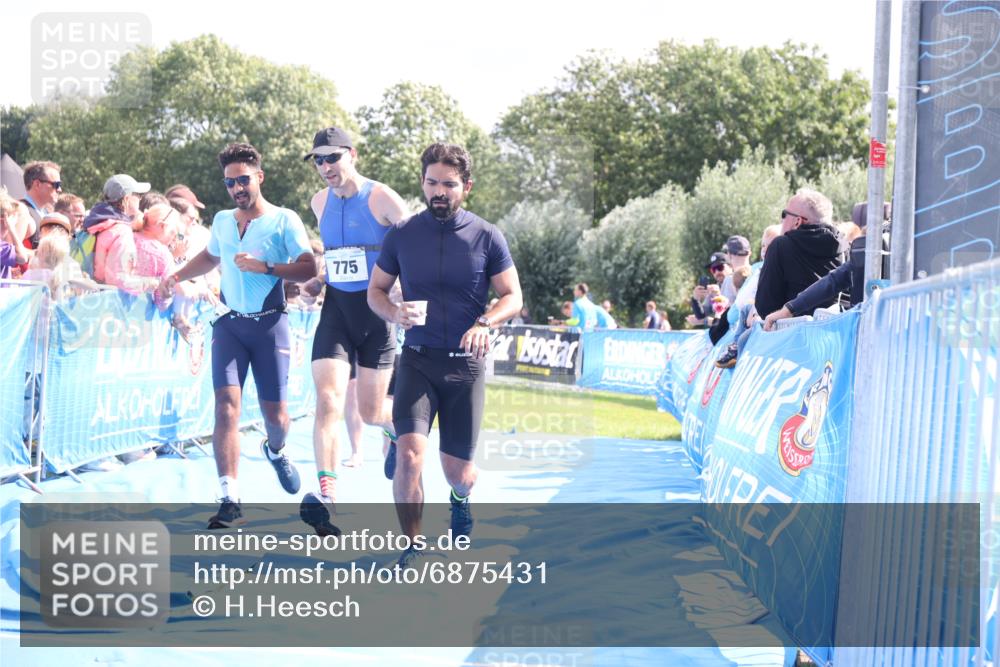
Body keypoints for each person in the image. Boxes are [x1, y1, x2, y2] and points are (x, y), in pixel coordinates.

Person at [368, 143, 522, 569]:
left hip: (464, 367)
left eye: (449, 184)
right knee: (409, 454)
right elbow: (375, 291)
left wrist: (485, 324)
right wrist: (395, 312)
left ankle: (460, 498)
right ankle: (413, 544)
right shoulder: (401, 235)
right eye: (432, 182)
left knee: (459, 473)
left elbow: (512, 295)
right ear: (422, 183)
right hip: (417, 359)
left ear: (465, 188)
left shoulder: (487, 235)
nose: (439, 191)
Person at [157, 142, 316, 528]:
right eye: (230, 183)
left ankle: (275, 450)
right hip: (229, 324)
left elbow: (309, 267)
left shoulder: (284, 220)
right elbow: (212, 256)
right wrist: (176, 275)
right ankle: (230, 497)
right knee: (225, 405)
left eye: (243, 180)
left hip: (270, 325)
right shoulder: (225, 220)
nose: (237, 189)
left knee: (275, 417)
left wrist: (267, 267)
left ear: (259, 177)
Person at [295, 127, 410, 538]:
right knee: (327, 401)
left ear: (352, 154)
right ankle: (327, 498)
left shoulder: (381, 197)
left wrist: (404, 289)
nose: (325, 167)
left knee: (370, 412)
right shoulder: (319, 201)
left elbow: (412, 240)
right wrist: (319, 280)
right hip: (337, 314)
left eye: (332, 157)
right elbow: (343, 256)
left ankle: (396, 428)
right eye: (318, 160)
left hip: (377, 315)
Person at [716, 189, 843, 368]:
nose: (781, 219)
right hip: (831, 347)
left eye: (785, 214)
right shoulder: (842, 248)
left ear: (798, 221)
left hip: (786, 349)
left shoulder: (781, 245)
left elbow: (765, 306)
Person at [17, 161, 62, 249]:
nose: (59, 189)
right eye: (56, 185)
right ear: (37, 184)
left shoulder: (48, 213)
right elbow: (11, 251)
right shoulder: (20, 211)